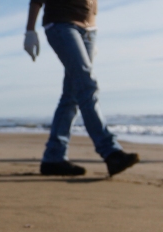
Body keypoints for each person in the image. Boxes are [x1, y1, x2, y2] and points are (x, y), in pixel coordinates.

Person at [24, 0, 139, 177]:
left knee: (71, 96)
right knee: (87, 85)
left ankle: (53, 158)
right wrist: (30, 31)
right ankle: (111, 152)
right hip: (62, 25)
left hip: (90, 31)